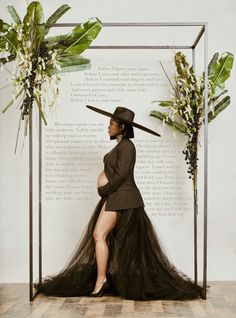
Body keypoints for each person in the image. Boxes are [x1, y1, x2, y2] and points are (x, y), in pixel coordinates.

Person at [34, 105, 206, 300]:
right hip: (116, 197)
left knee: (99, 234)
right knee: (100, 236)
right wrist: (105, 192)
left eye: (111, 124)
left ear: (122, 127)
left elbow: (122, 174)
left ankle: (101, 281)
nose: (108, 127)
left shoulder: (127, 146)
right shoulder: (120, 145)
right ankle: (101, 279)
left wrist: (103, 190)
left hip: (122, 198)